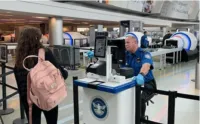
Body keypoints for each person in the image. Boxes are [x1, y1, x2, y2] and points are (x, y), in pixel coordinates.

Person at [14, 26, 68, 124]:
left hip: (29, 99)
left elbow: (20, 84)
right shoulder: (46, 53)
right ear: (37, 39)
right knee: (51, 121)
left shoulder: (19, 59)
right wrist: (65, 73)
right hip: (48, 94)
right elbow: (61, 73)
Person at [125, 34, 157, 119]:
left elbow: (146, 65)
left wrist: (141, 75)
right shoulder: (126, 54)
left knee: (139, 99)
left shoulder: (144, 54)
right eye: (125, 43)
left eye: (128, 42)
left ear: (135, 42)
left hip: (147, 83)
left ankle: (141, 118)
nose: (126, 44)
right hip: (131, 83)